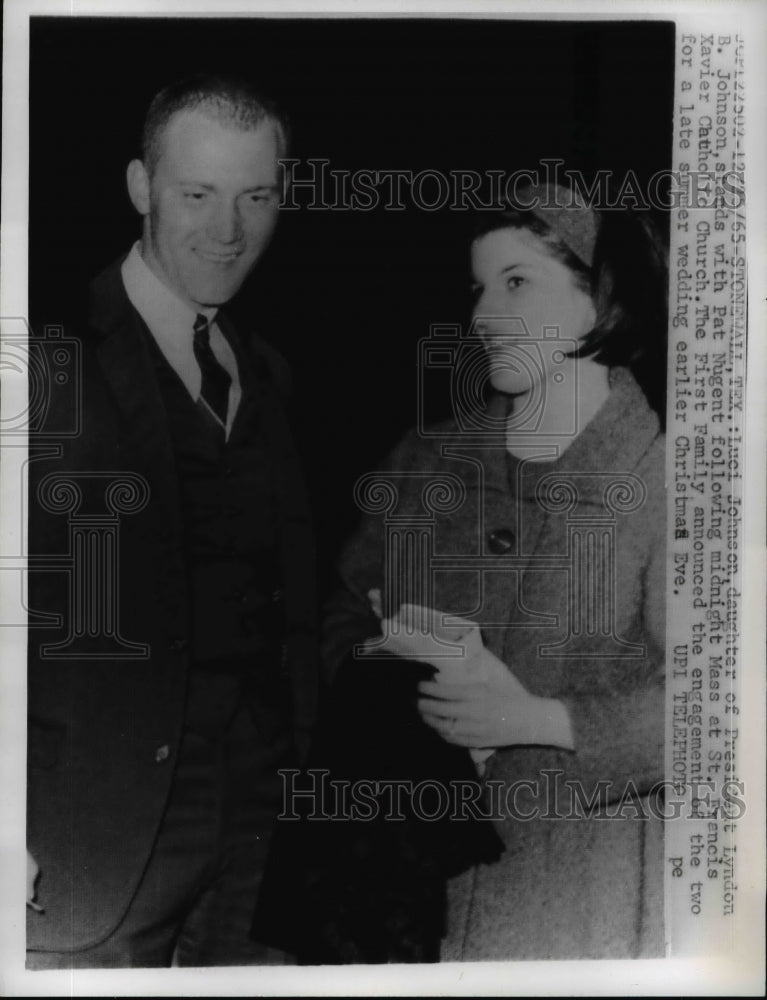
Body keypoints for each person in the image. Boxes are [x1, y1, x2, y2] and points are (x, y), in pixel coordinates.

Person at [318, 182, 668, 960]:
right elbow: (341, 616)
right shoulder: (427, 458)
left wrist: (538, 721)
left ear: (601, 296)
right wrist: (398, 703)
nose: (482, 316)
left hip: (582, 894)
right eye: (480, 288)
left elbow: (720, 714)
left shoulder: (667, 475)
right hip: (412, 891)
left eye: (517, 283)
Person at [26, 75, 317, 967]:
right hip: (82, 842)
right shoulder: (42, 351)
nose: (228, 231)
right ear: (140, 188)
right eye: (197, 194)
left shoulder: (267, 370)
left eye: (256, 197)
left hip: (249, 840)